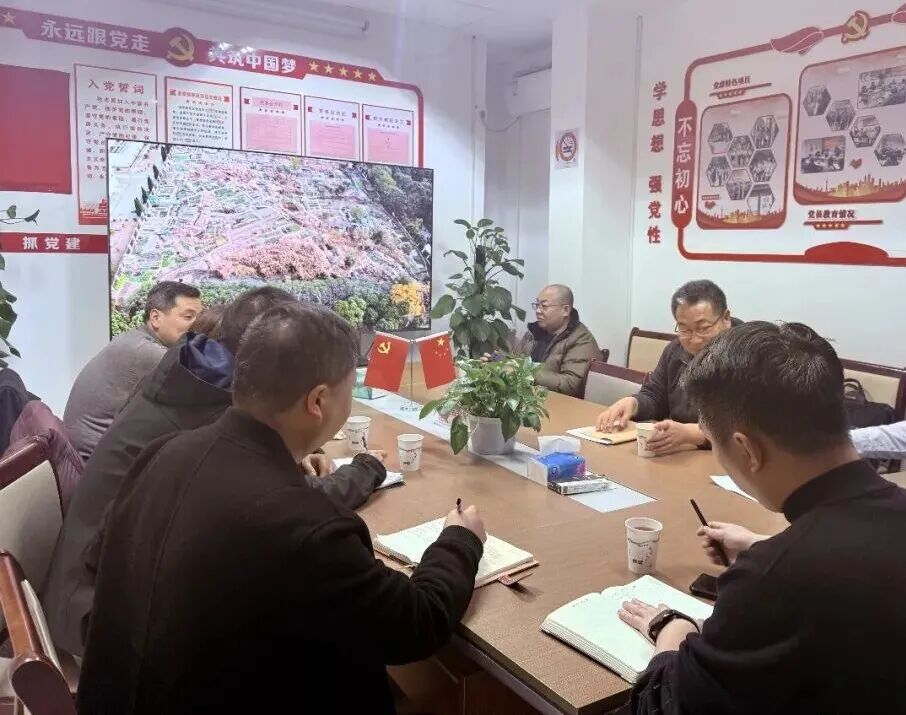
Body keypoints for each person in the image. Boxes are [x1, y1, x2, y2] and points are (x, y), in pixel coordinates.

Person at [77, 302, 486, 714]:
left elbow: (102, 554)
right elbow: (417, 624)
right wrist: (459, 540)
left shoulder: (162, 453)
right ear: (318, 401)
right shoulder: (307, 528)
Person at [44, 286, 387, 657]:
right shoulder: (214, 418)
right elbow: (289, 505)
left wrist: (294, 451)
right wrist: (366, 468)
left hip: (90, 588)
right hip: (103, 622)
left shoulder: (189, 377)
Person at [616, 321, 906, 713]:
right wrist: (763, 546)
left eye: (713, 443)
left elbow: (663, 706)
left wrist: (673, 631)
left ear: (747, 450)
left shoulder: (774, 581)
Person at [64, 281, 203, 460]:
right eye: (188, 316)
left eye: (200, 317)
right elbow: (202, 393)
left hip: (96, 453)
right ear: (156, 317)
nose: (198, 324)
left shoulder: (135, 340)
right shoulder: (147, 352)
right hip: (95, 459)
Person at [596, 280, 737, 454]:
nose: (694, 339)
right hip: (680, 453)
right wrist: (633, 403)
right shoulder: (675, 351)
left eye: (703, 328)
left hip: (726, 460)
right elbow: (655, 396)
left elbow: (747, 427)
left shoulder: (747, 357)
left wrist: (693, 434)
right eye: (684, 329)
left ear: (726, 318)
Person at [514, 284, 600, 397]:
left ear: (565, 310)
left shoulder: (581, 339)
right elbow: (515, 361)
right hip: (528, 397)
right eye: (537, 305)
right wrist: (499, 363)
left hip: (560, 403)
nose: (538, 311)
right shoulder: (533, 332)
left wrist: (527, 373)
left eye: (544, 306)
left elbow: (570, 384)